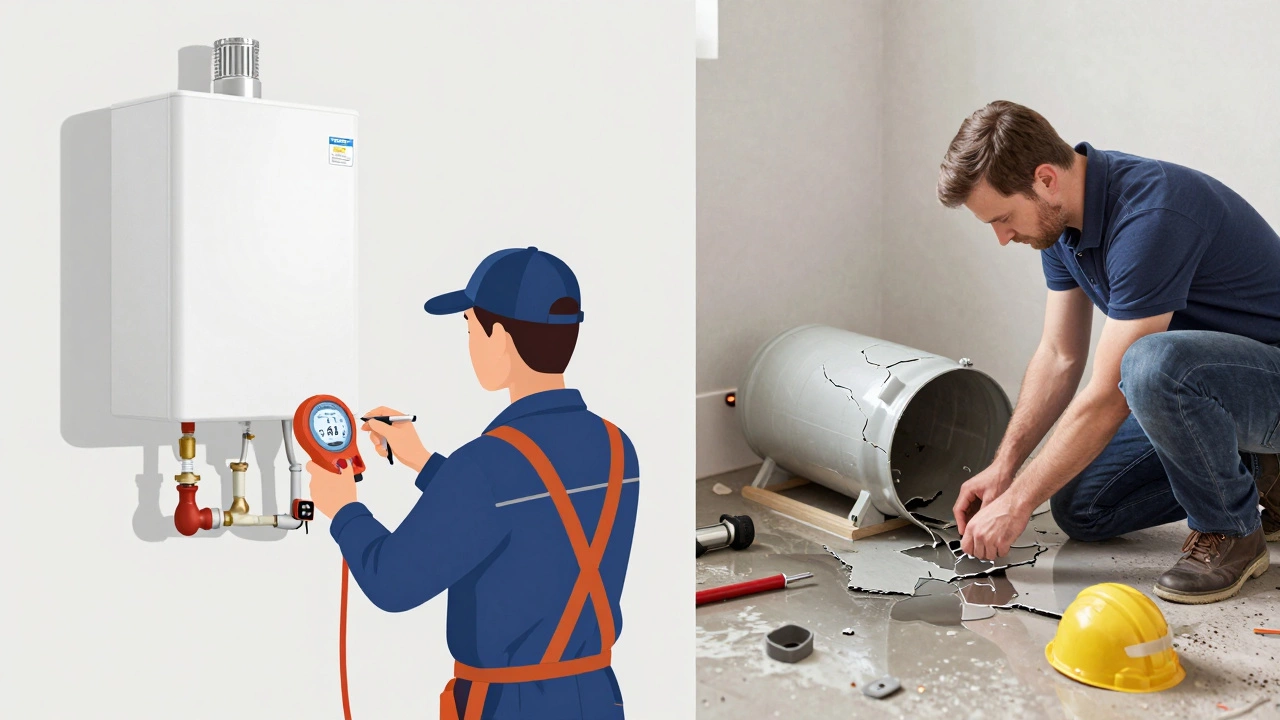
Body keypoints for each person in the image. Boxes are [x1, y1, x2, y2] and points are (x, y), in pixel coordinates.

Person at [936, 101, 1280, 605]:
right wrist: (1005, 467)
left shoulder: (1151, 214)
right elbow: (1058, 355)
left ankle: (1231, 531)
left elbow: (1109, 395)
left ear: (1046, 179)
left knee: (1148, 365)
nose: (1002, 237)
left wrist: (1017, 505)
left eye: (1004, 218)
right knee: (1082, 507)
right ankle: (1265, 477)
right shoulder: (1058, 227)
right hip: (1205, 391)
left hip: (1267, 382)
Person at [306, 246, 640, 718]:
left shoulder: (484, 466)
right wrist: (422, 462)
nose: (469, 343)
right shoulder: (618, 447)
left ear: (499, 336)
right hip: (599, 696)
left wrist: (343, 509)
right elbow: (529, 517)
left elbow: (392, 583)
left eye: (469, 327)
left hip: (508, 705)